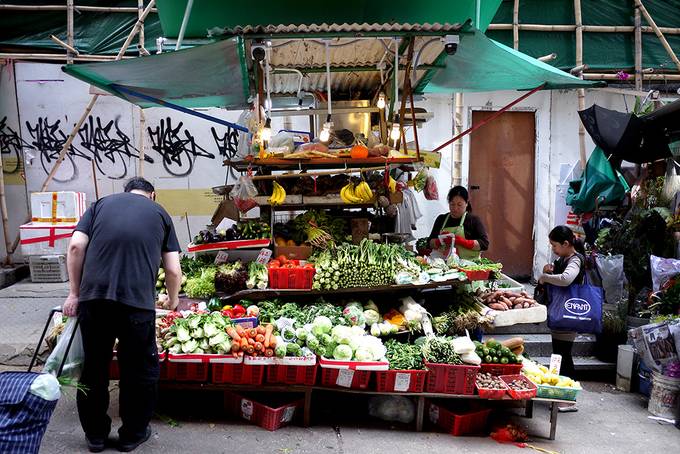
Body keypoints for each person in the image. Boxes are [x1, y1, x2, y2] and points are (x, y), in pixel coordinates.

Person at [63, 177, 182, 452]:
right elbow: (173, 270)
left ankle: (95, 436)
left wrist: (73, 293)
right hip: (137, 305)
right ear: (152, 195)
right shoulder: (160, 213)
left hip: (95, 301)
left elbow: (75, 247)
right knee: (139, 371)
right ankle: (132, 435)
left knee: (93, 369)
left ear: (126, 192)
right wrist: (173, 301)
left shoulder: (99, 206)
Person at [538, 225, 586, 413]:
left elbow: (566, 279)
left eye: (554, 245)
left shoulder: (575, 260)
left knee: (564, 355)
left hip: (569, 312)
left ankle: (570, 398)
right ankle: (559, 394)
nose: (553, 249)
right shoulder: (564, 258)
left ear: (566, 244)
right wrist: (549, 271)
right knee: (559, 354)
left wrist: (545, 277)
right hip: (561, 312)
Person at [428, 186, 489, 260]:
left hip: (468, 265)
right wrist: (439, 241)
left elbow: (484, 244)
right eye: (452, 204)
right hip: (443, 265)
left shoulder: (473, 220)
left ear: (466, 203)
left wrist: (462, 242)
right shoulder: (441, 219)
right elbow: (429, 243)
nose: (455, 208)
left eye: (459, 205)